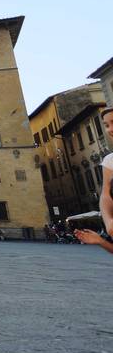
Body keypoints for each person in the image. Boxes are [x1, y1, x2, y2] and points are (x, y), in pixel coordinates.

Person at [75, 107, 113, 254]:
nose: (110, 129)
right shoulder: (110, 161)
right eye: (107, 125)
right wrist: (108, 222)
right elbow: (105, 195)